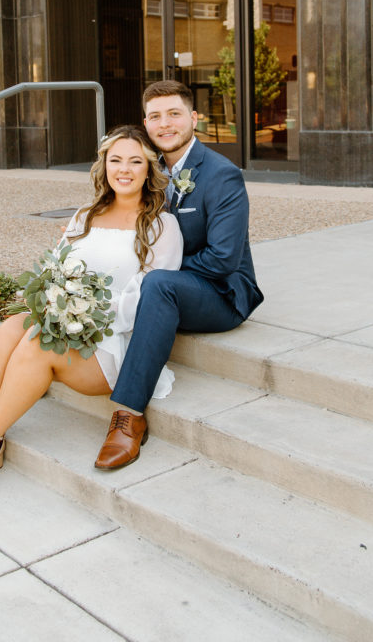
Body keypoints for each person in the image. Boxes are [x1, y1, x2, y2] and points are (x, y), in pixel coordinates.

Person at [0, 125, 183, 492]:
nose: (124, 169)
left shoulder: (162, 226)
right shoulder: (84, 216)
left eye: (135, 161)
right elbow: (55, 270)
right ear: (104, 166)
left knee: (37, 342)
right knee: (15, 325)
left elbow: (150, 302)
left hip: (109, 345)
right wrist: (52, 303)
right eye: (116, 160)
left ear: (148, 169)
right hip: (68, 324)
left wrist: (80, 315)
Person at [94, 80, 263, 471]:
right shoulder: (147, 166)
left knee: (155, 283)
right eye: (155, 116)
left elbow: (223, 260)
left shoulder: (222, 175)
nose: (164, 124)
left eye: (174, 114)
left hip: (223, 293)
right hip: (169, 286)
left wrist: (151, 271)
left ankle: (129, 414)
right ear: (145, 122)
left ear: (194, 118)